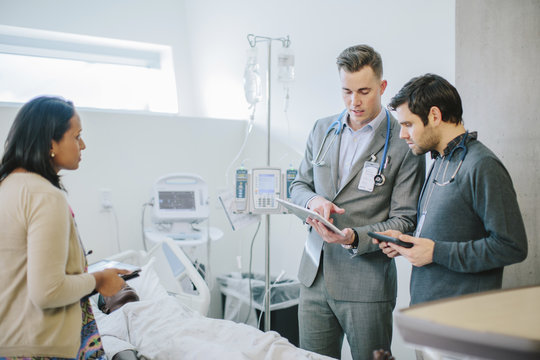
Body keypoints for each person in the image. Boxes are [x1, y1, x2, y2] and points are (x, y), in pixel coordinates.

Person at [289, 44, 425, 359]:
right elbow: (298, 185)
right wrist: (313, 202)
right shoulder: (322, 129)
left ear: (383, 86)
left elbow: (405, 220)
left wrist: (353, 237)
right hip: (314, 278)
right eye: (347, 92)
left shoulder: (404, 142)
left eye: (364, 91)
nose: (355, 101)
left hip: (367, 285)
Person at [377, 73, 528, 305]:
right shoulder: (440, 161)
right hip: (428, 316)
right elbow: (447, 230)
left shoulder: (482, 165)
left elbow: (511, 247)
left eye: (408, 124)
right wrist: (407, 242)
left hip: (463, 323)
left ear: (434, 115)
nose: (402, 134)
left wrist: (436, 253)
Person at [0, 96, 129, 359]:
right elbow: (48, 292)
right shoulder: (45, 196)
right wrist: (100, 280)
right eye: (77, 136)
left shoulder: (7, 187)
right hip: (40, 347)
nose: (83, 145)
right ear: (51, 142)